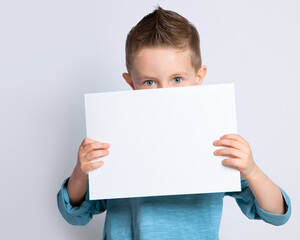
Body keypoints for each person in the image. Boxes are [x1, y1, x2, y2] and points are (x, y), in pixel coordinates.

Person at [57, 6, 291, 240]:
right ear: (131, 84)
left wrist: (251, 170)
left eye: (177, 79)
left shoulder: (215, 141)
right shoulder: (115, 140)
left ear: (198, 78)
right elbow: (76, 214)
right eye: (150, 82)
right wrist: (81, 172)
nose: (164, 93)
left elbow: (276, 213)